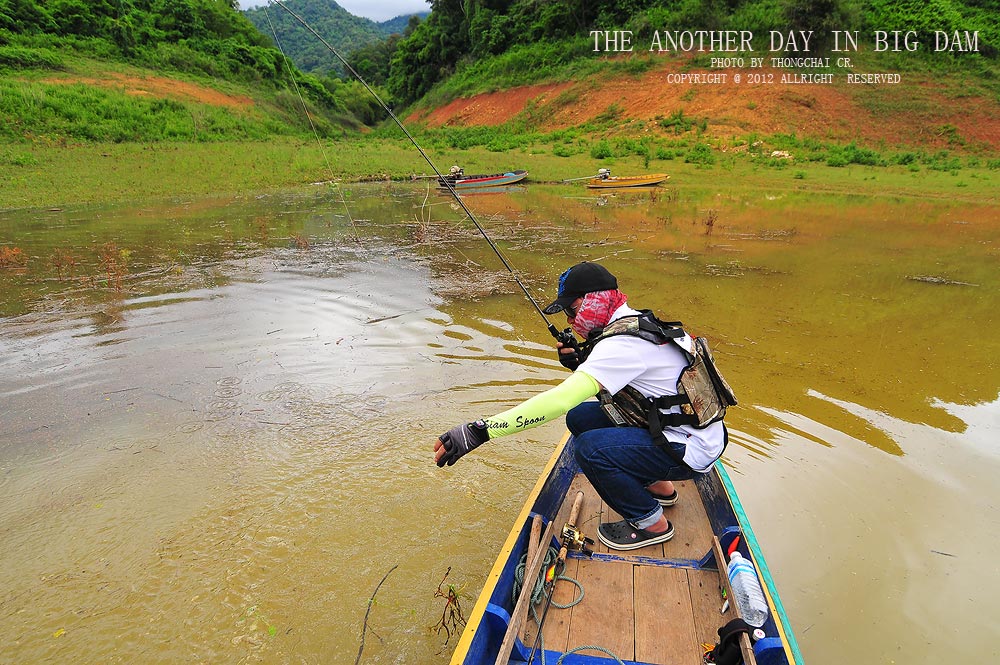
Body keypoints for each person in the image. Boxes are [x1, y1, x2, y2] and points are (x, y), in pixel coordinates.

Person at [433, 262, 729, 551]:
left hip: (690, 448)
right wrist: (581, 363)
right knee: (581, 418)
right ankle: (660, 488)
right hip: (689, 432)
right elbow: (631, 389)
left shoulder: (621, 345)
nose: (570, 321)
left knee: (590, 448)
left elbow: (560, 400)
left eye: (572, 310)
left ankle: (652, 523)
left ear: (596, 300)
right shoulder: (637, 324)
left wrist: (482, 431)